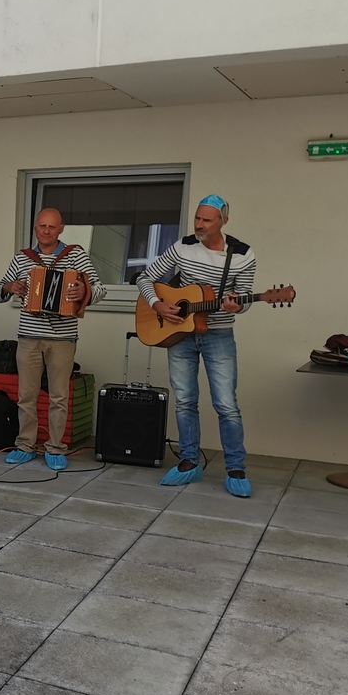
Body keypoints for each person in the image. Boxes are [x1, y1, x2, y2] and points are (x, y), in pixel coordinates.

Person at [137, 194, 257, 497]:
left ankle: (236, 469)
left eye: (207, 220)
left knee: (226, 404)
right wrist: (158, 305)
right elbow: (145, 277)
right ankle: (189, 461)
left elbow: (244, 297)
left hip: (219, 335)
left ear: (223, 222)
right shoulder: (183, 246)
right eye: (197, 218)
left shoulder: (242, 254)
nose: (199, 224)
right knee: (185, 400)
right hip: (180, 334)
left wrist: (238, 306)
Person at [0, 207, 106, 470]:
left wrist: (84, 291)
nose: (46, 231)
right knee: (26, 395)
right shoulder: (23, 258)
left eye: (52, 227)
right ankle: (25, 445)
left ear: (61, 229)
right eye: (42, 226)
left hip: (63, 337)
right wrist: (10, 287)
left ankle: (56, 448)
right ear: (36, 228)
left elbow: (100, 289)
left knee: (59, 396)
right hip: (29, 336)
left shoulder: (76, 255)